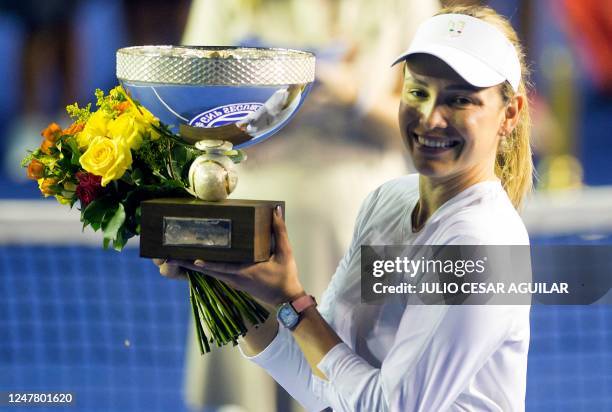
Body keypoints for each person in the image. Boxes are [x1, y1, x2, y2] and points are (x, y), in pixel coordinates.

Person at [155, 5, 533, 411]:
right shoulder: (389, 202)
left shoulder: (482, 247)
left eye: (460, 100)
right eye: (418, 92)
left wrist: (295, 303)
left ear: (509, 115)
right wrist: (226, 279)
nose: (430, 118)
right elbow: (322, 380)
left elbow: (389, 406)